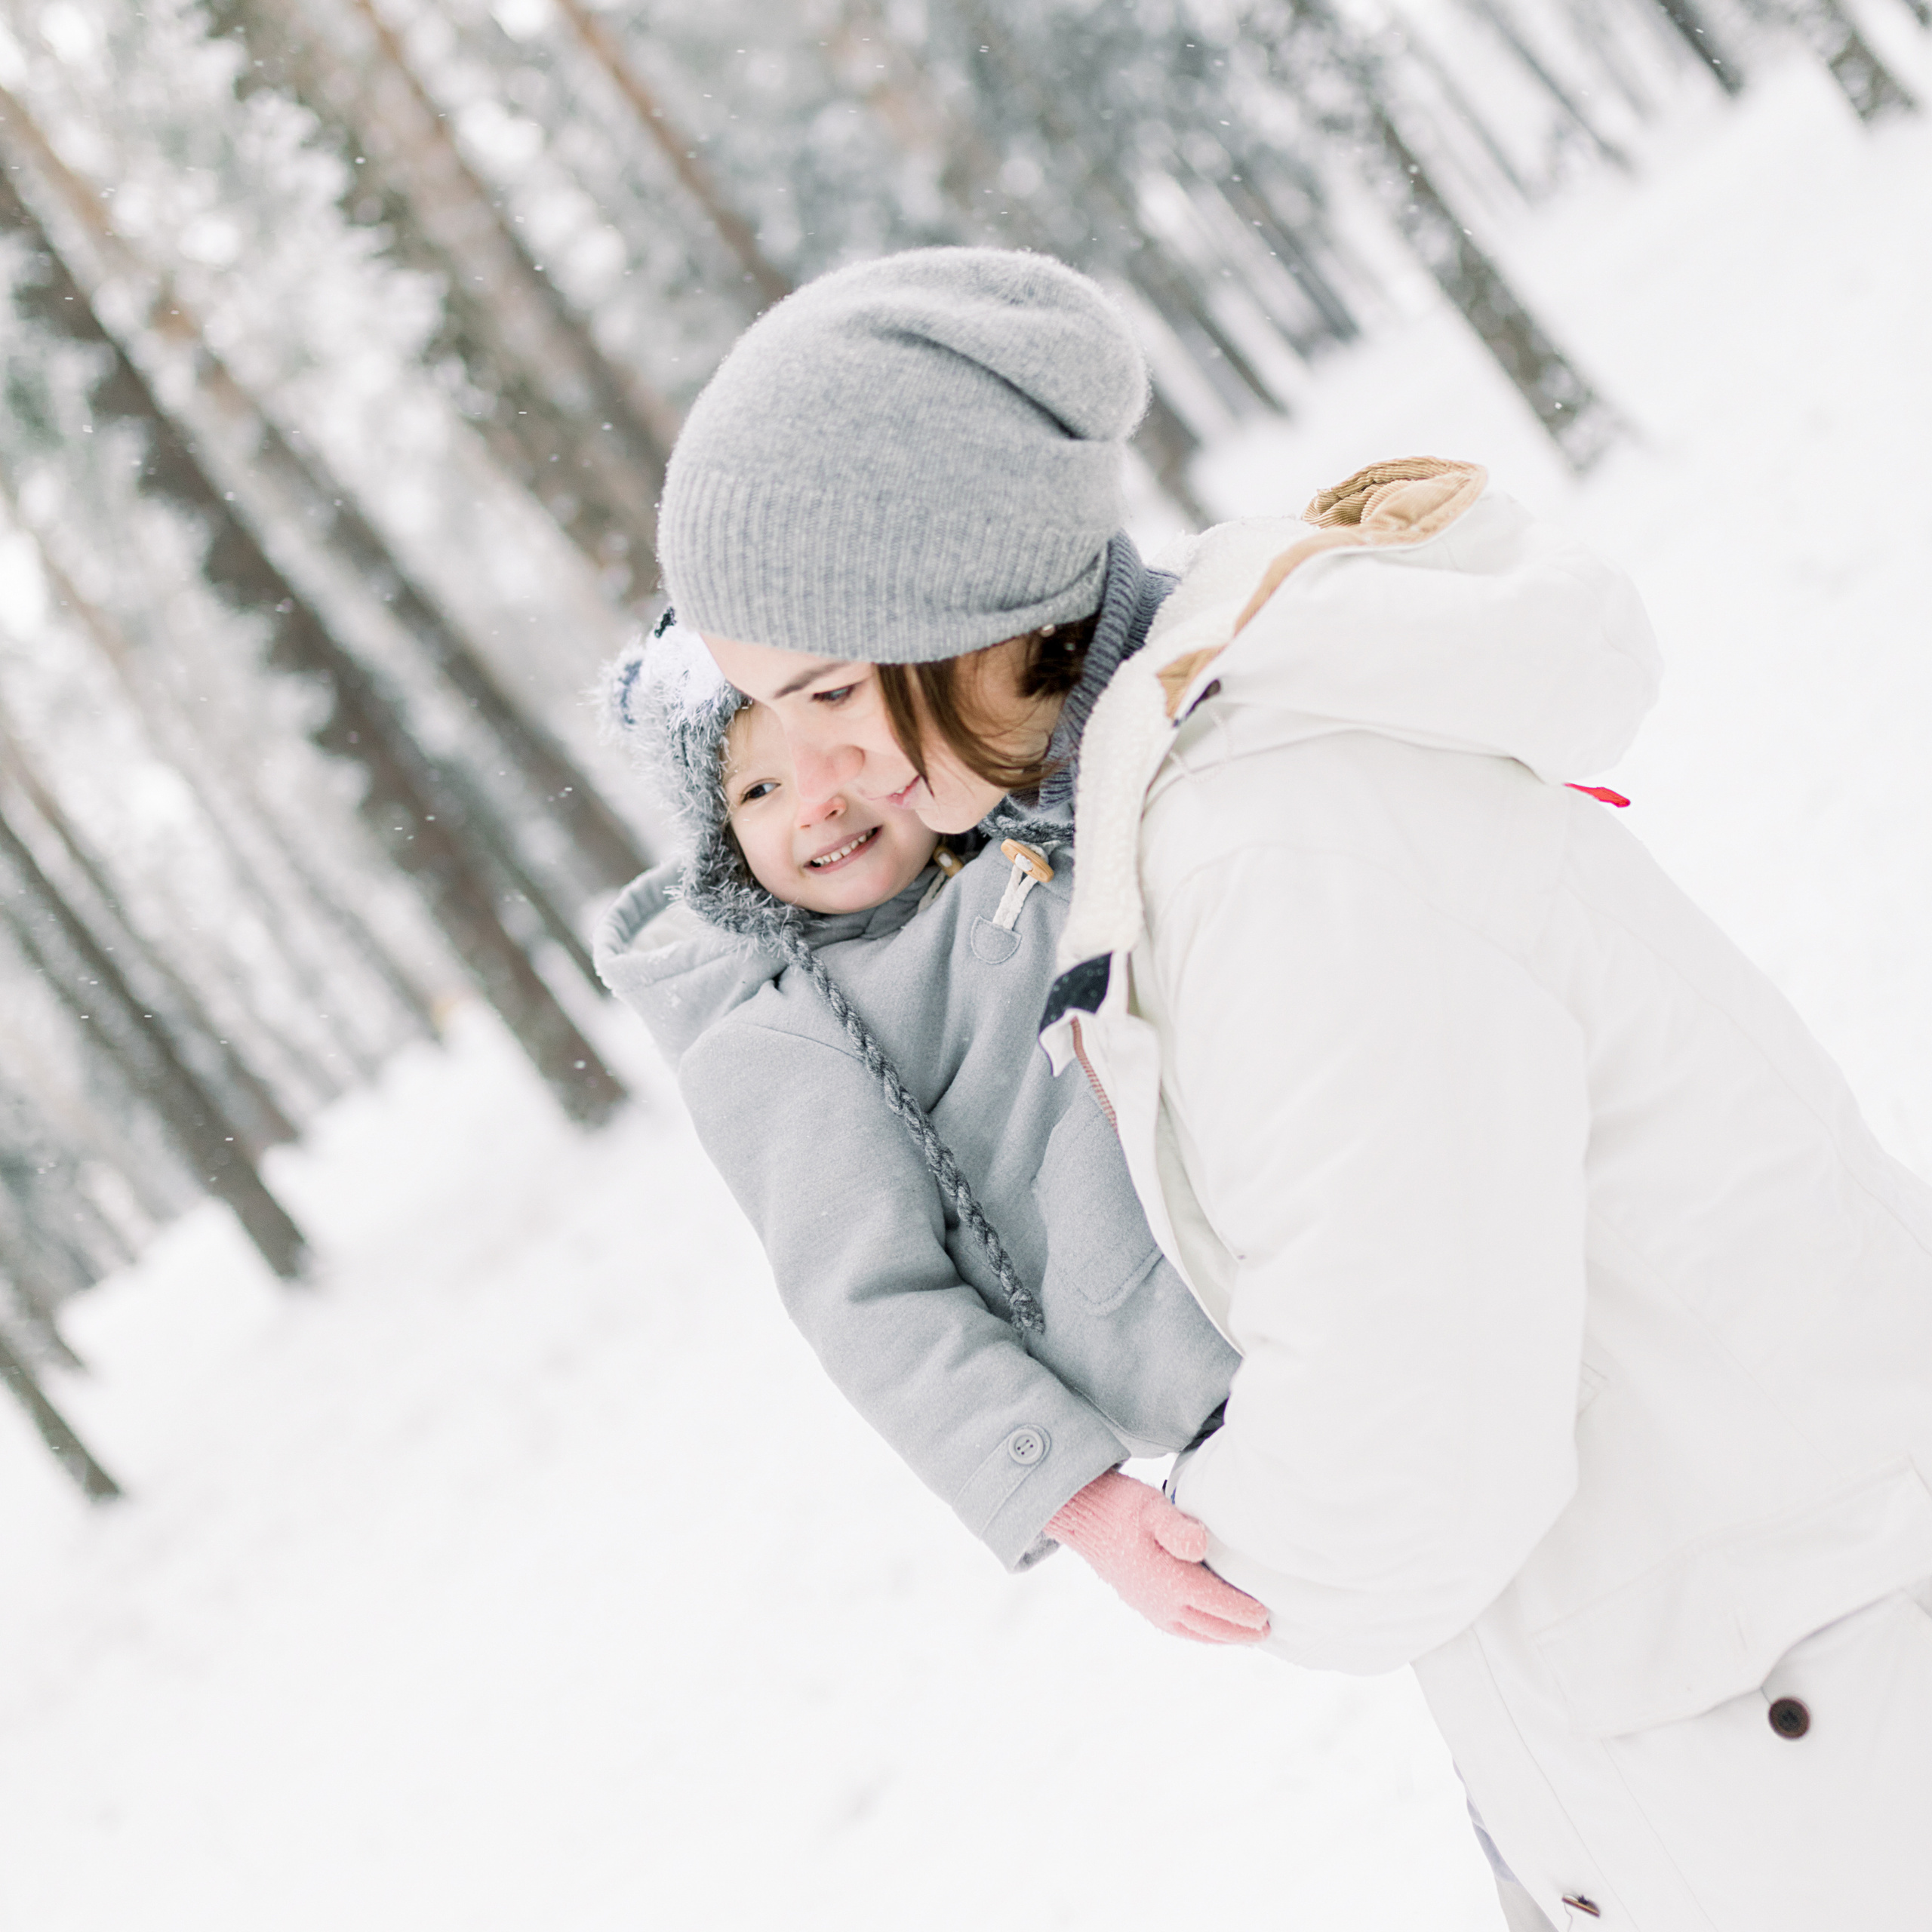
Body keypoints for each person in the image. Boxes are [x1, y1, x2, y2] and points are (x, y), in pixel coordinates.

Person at [647, 243, 1932, 1932]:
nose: (837, 775)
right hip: (1733, 1693)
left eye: (829, 690)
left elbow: (1410, 1466)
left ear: (970, 611)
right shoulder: (1166, 821)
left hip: (1803, 1724)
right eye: (763, 712)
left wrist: (1214, 1543)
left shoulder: (1266, 849)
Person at [593, 619, 1266, 1644]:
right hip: (1209, 1368)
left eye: (829, 758)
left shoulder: (1022, 831)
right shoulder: (776, 1041)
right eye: (758, 791)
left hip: (1310, 1229)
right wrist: (1077, 1498)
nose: (814, 801)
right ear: (724, 845)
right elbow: (873, 1302)